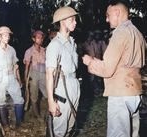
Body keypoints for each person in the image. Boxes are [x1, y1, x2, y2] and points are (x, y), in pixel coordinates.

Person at [82, 1, 146, 137]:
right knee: (134, 133)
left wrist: (89, 61)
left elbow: (107, 69)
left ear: (117, 12)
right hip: (135, 92)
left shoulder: (120, 33)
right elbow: (124, 63)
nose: (106, 19)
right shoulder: (137, 33)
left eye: (108, 15)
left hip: (120, 93)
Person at [46, 6, 80, 137]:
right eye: (72, 19)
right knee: (60, 129)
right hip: (62, 87)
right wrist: (50, 101)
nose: (75, 22)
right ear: (62, 22)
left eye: (75, 19)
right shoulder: (55, 45)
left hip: (74, 84)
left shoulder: (72, 42)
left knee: (70, 126)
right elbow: (49, 74)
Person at [0, 26, 24, 135]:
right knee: (2, 102)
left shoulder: (12, 49)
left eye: (8, 35)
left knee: (19, 99)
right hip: (0, 79)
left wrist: (19, 79)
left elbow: (15, 65)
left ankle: (19, 122)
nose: (8, 37)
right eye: (5, 35)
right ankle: (5, 125)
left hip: (12, 77)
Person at [23, 30, 47, 119]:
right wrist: (26, 79)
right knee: (34, 95)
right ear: (33, 39)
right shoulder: (29, 51)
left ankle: (49, 112)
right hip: (34, 75)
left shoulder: (44, 50)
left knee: (48, 92)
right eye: (38, 38)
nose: (40, 40)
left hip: (43, 74)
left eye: (41, 38)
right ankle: (36, 115)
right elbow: (27, 67)